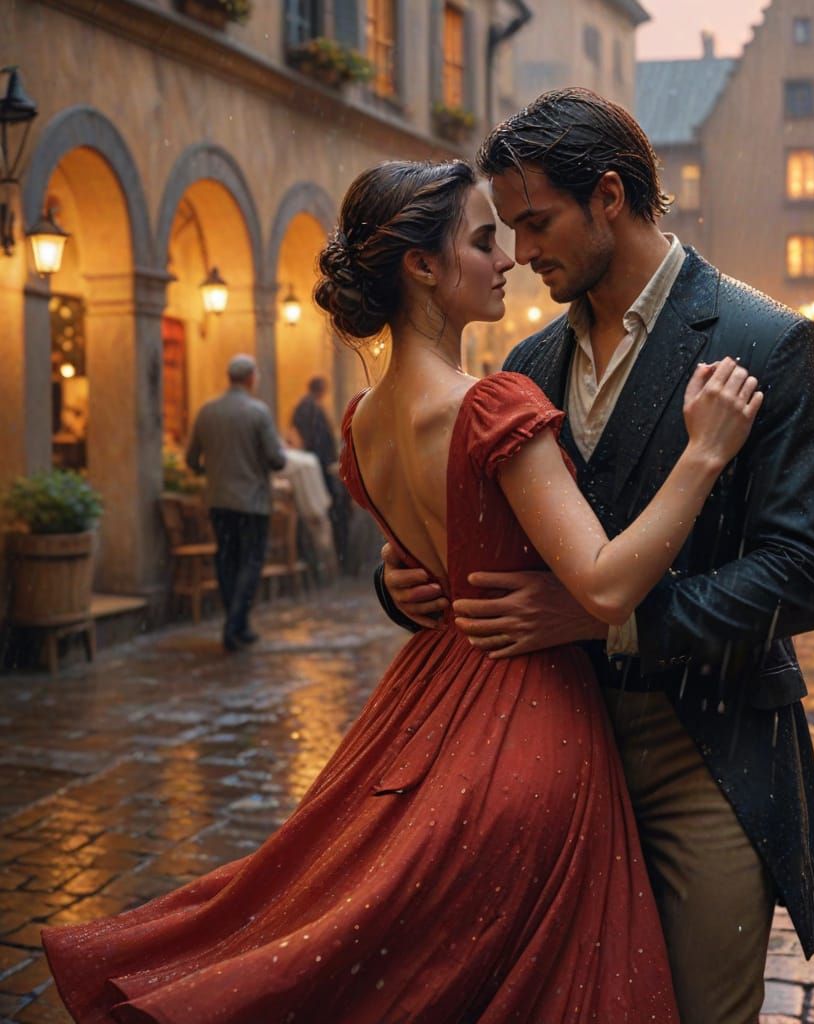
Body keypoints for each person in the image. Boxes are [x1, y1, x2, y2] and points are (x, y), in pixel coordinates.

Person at [42, 160, 761, 1023]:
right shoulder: (493, 404)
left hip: (426, 702)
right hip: (527, 717)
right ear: (423, 265)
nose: (509, 259)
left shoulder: (363, 421)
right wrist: (704, 453)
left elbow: (426, 557)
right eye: (484, 238)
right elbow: (605, 584)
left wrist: (404, 578)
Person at [379, 88, 814, 1023]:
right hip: (545, 750)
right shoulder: (526, 363)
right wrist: (405, 584)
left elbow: (805, 573)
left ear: (608, 196)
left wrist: (614, 614)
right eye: (503, 229)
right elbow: (490, 534)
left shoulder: (773, 343)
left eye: (536, 220)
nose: (517, 251)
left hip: (705, 751)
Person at [184, 354, 286, 652]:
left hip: (218, 501)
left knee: (227, 560)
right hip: (252, 502)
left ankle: (237, 624)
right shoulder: (258, 412)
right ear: (251, 378)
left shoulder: (207, 412)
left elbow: (191, 460)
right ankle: (234, 625)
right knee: (251, 562)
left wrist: (214, 473)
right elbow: (277, 460)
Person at [291, 375, 351, 569]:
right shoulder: (312, 409)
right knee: (332, 511)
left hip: (318, 465)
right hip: (320, 468)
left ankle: (328, 559)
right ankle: (337, 559)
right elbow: (320, 441)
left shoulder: (304, 407)